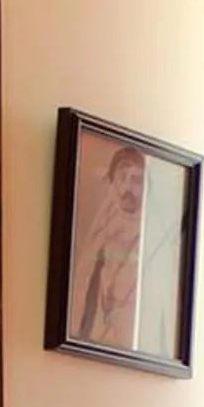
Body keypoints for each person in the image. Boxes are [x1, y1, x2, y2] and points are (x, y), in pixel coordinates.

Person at [72, 144, 147, 348]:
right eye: (121, 178)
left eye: (136, 180)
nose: (127, 189)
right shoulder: (103, 227)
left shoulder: (147, 239)